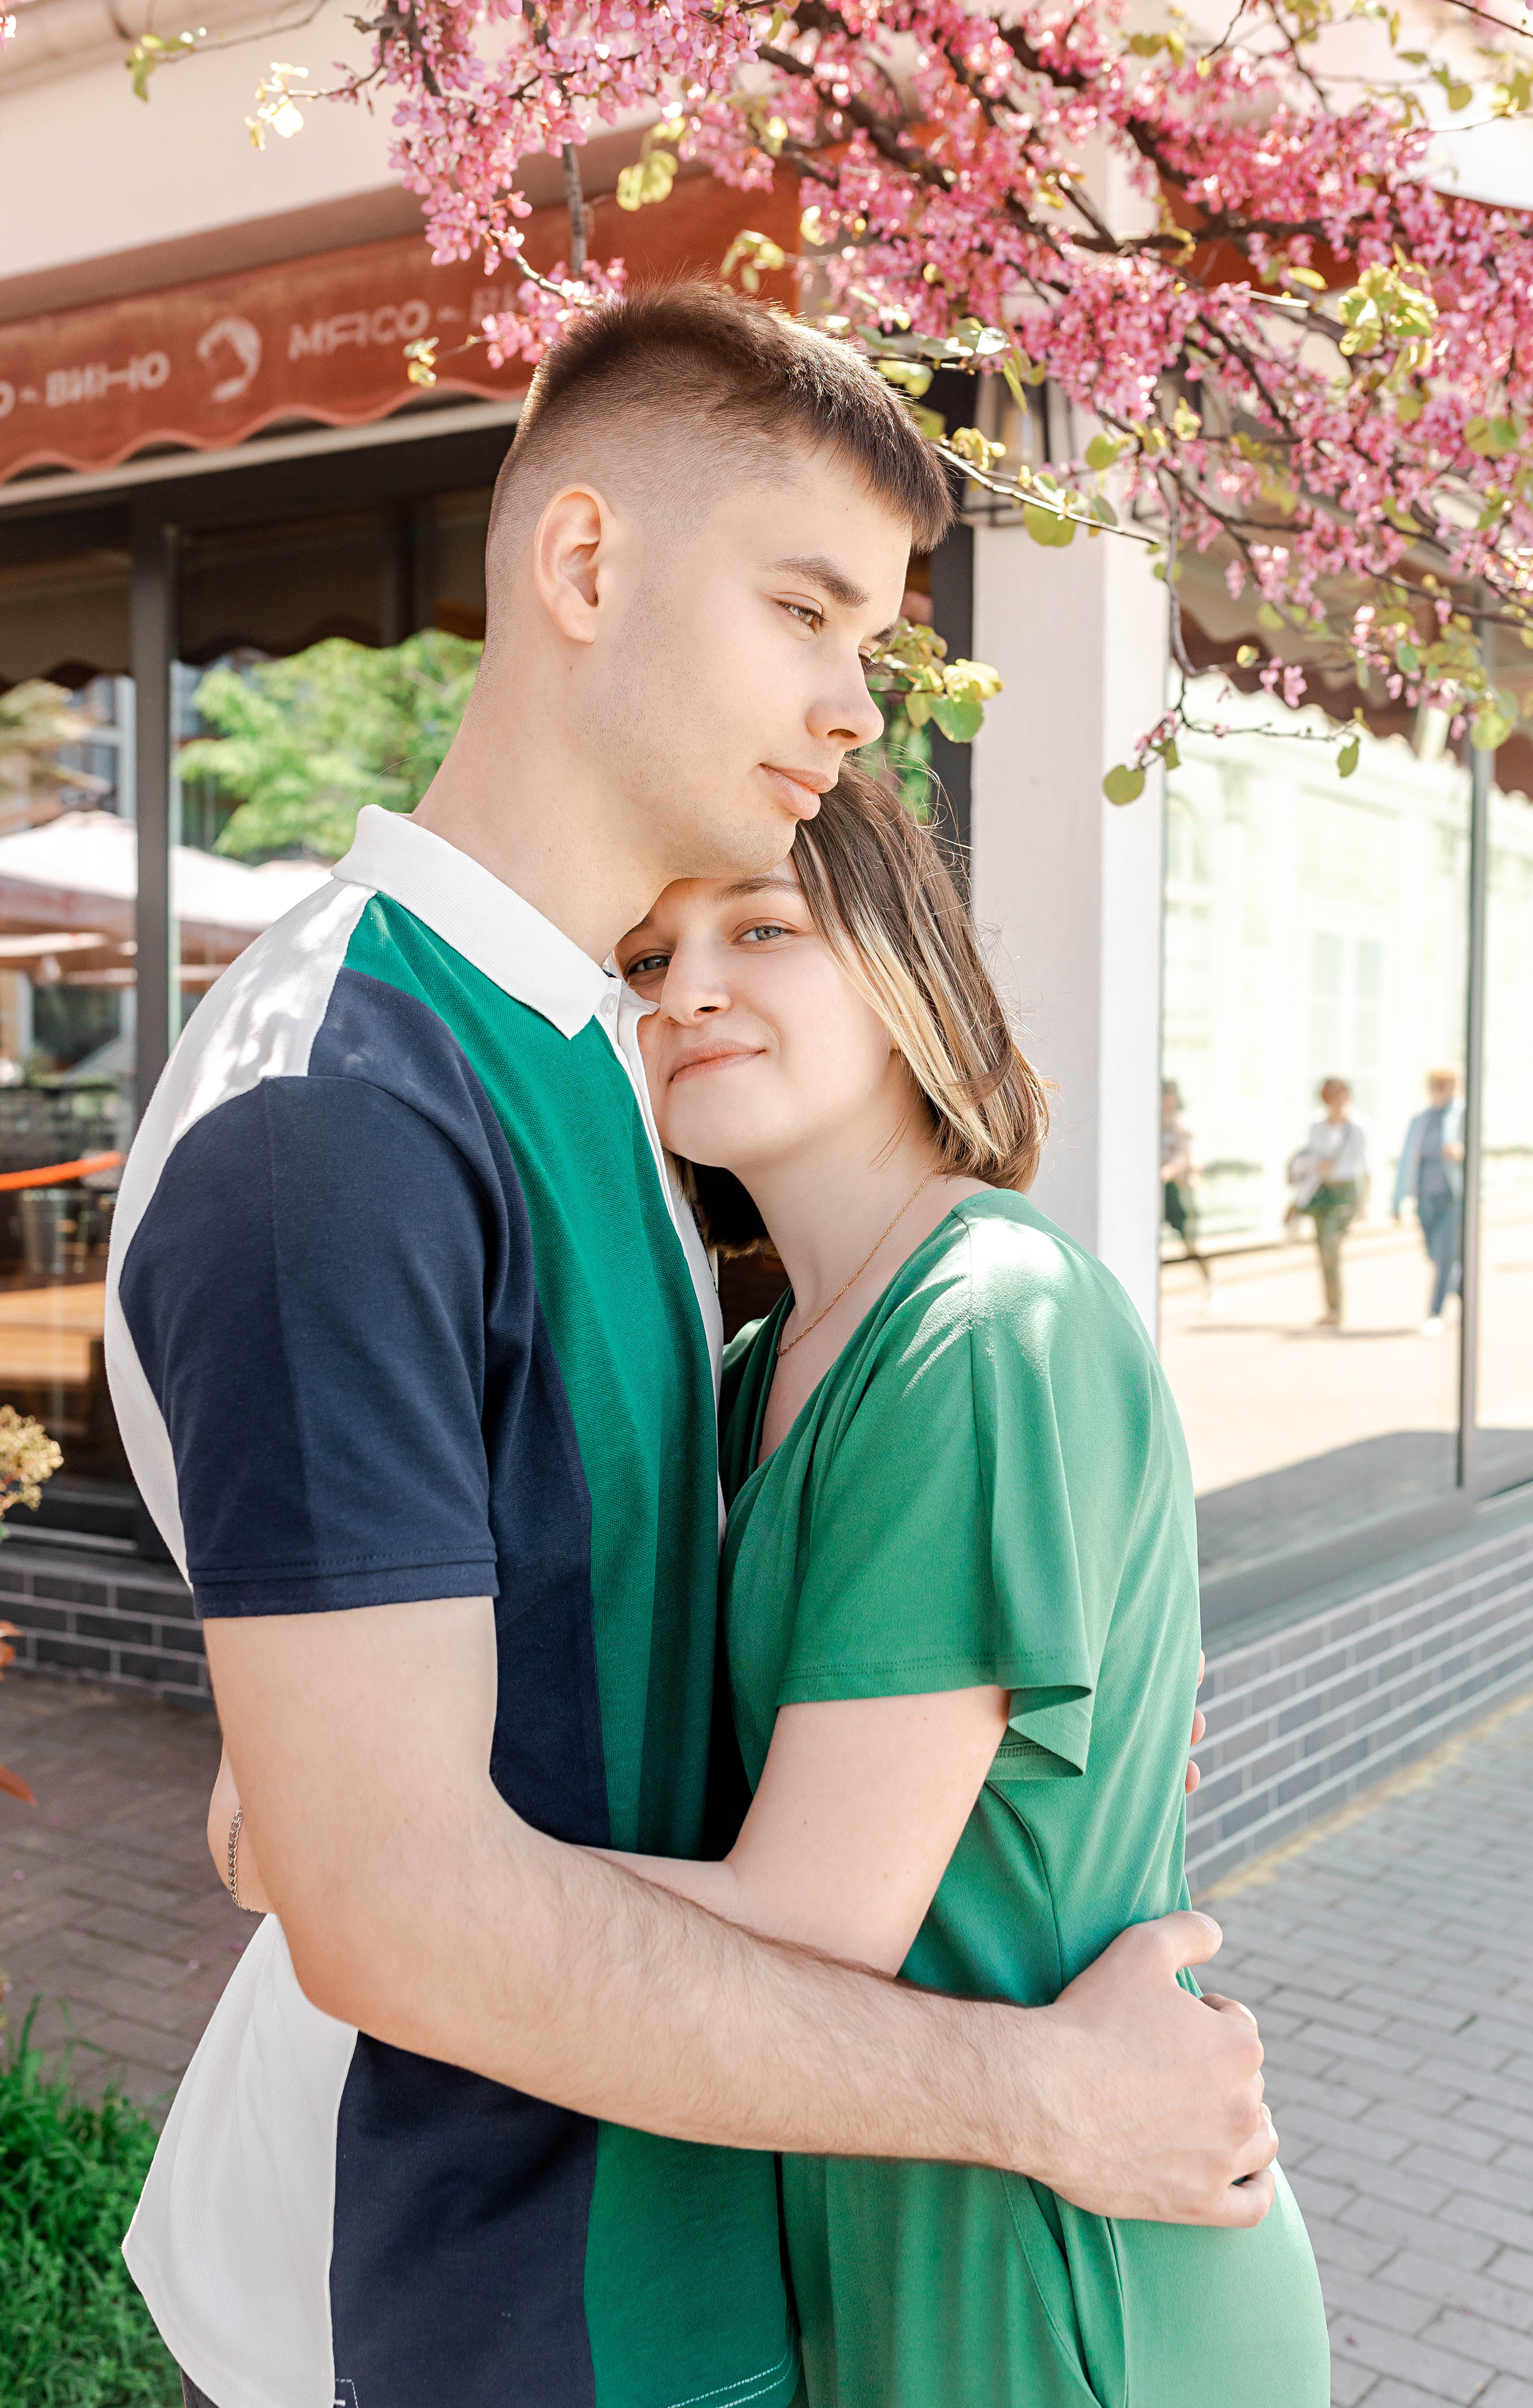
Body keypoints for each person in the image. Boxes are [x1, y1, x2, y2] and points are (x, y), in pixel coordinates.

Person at [108, 288, 1276, 2408]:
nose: (855, 699)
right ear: (582, 564)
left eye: (874, 636)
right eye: (808, 610)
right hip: (452, 2297)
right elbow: (392, 1908)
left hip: (698, 2258)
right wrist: (1037, 2095)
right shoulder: (340, 1114)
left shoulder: (599, 1087)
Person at [606, 767, 1329, 2408]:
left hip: (1062, 2260)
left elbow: (808, 1927)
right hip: (883, 2216)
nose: (687, 990)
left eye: (761, 928)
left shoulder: (988, 1325)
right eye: (645, 960)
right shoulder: (746, 1376)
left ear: (902, 969)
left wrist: (371, 1863)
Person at [1286, 1077, 1369, 1328]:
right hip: (1321, 1191)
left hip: (1344, 1192)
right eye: (1331, 1095)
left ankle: (1336, 1308)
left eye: (1341, 1093)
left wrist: (1364, 1202)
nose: (1337, 1100)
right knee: (1323, 1250)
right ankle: (1331, 1308)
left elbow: (1366, 1165)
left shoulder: (1357, 1127)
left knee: (1332, 1247)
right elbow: (1310, 1156)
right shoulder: (1317, 1125)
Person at [1392, 1069, 1465, 1335]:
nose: (1439, 1089)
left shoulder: (1462, 1116)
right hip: (1424, 1196)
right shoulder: (1421, 1121)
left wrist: (1462, 1152)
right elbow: (1406, 1163)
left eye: (1444, 1085)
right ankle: (1462, 1290)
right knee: (1434, 1254)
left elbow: (1478, 1149)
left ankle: (1435, 1313)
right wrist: (1396, 1201)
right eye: (1435, 1085)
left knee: (1445, 1254)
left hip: (1452, 1197)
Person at [1162, 1078, 1211, 1285]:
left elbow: (1183, 1159)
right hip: (1159, 1192)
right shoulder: (1154, 1123)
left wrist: (1167, 1172)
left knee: (1190, 1243)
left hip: (1178, 1191)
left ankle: (1210, 1284)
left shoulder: (1180, 1125)